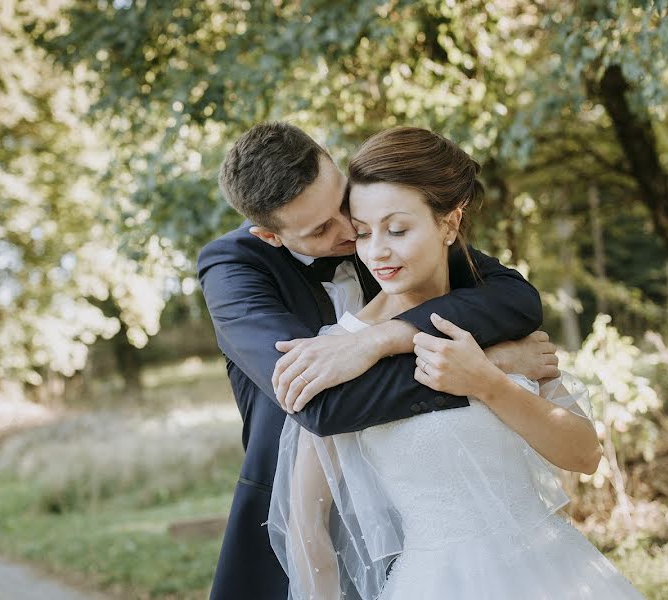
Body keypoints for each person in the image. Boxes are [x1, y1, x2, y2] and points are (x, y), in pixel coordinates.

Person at [267, 127, 644, 599]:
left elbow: (584, 455)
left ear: (449, 224)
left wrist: (489, 381)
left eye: (398, 229)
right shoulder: (339, 352)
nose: (376, 251)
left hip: (555, 573)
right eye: (363, 232)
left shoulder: (495, 319)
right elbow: (307, 525)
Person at [197, 122, 558, 600]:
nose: (352, 232)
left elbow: (515, 299)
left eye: (342, 203)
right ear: (271, 236)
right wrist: (490, 363)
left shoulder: (378, 228)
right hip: (295, 517)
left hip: (422, 509)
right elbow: (323, 408)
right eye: (322, 229)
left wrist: (387, 337)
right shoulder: (232, 270)